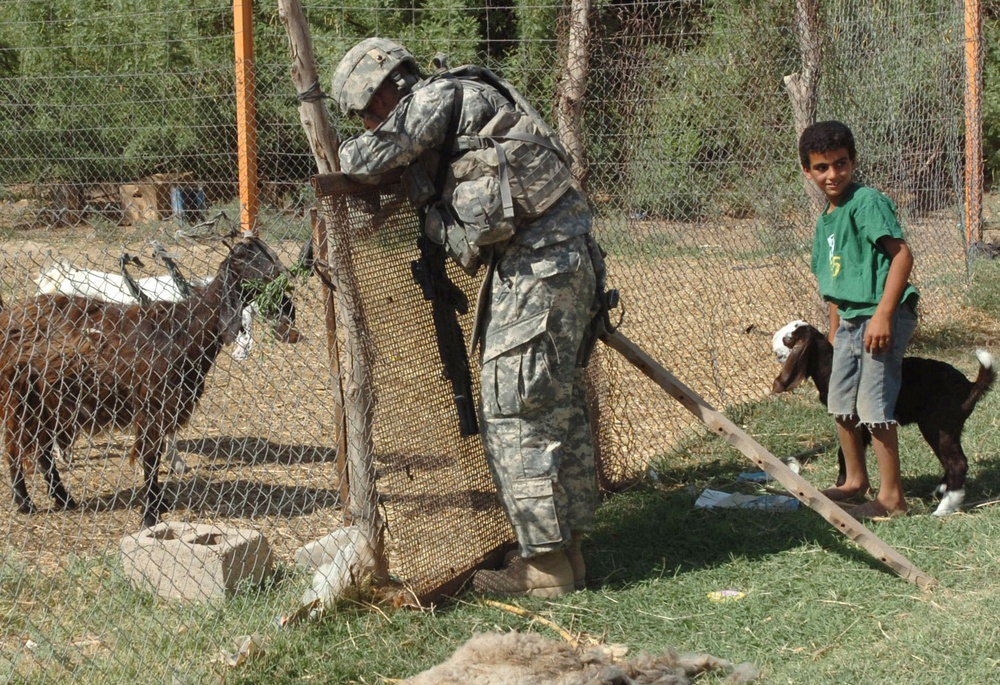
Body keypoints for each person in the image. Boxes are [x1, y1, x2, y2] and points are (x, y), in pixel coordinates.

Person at [330, 38, 606, 596]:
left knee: (514, 409)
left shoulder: (434, 99)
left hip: (537, 269)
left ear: (385, 87)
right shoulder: (473, 94)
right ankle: (567, 554)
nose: (368, 121)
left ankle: (545, 567)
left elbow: (360, 160)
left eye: (365, 111)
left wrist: (352, 149)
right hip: (568, 261)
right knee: (555, 403)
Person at [798, 120, 920, 519]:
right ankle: (854, 482)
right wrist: (835, 331)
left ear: (853, 161)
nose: (833, 174)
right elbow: (835, 281)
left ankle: (892, 498)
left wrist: (885, 314)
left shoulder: (866, 202)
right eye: (822, 167)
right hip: (850, 320)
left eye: (840, 163)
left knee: (873, 404)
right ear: (807, 170)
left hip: (881, 315)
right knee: (840, 400)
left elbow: (901, 255)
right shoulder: (826, 221)